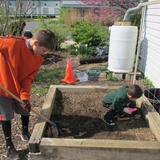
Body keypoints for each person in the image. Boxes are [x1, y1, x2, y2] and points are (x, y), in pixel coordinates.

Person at [0, 29, 56, 160]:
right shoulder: (11, 43)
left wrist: (25, 97)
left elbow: (28, 79)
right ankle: (9, 147)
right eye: (43, 50)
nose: (44, 54)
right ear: (35, 43)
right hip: (3, 87)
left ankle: (25, 132)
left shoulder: (37, 59)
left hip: (19, 89)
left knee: (25, 109)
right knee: (6, 116)